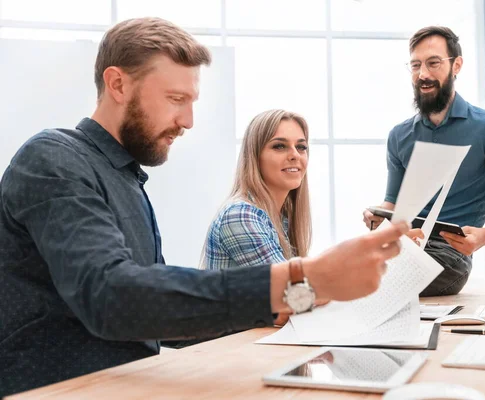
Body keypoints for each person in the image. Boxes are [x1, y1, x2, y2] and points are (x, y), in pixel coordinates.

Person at [0, 17, 410, 396]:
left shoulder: (127, 179)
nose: (189, 120)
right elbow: (113, 299)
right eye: (176, 99)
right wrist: (302, 280)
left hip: (119, 385)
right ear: (118, 84)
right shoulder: (54, 159)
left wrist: (290, 307)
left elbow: (158, 317)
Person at [363, 26, 485, 297]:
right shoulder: (399, 136)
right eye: (415, 65)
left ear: (456, 65)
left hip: (449, 256)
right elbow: (392, 203)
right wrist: (377, 213)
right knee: (346, 266)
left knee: (366, 282)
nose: (423, 74)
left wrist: (484, 236)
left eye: (433, 63)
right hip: (404, 246)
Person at [202, 109, 311, 270]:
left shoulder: (280, 218)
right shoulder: (240, 215)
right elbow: (297, 290)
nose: (295, 155)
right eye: (279, 146)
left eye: (301, 147)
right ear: (254, 156)